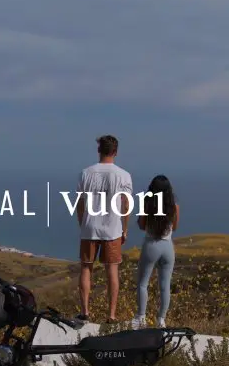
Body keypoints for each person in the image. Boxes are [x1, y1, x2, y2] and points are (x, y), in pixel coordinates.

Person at [75, 135, 132, 323]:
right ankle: (111, 315)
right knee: (112, 271)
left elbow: (80, 204)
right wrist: (125, 229)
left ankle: (85, 312)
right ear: (115, 152)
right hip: (112, 229)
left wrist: (83, 224)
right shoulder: (123, 175)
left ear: (99, 150)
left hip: (89, 227)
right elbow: (125, 205)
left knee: (86, 268)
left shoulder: (85, 173)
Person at [131, 175, 179, 329]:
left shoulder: (147, 204)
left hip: (151, 244)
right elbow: (175, 227)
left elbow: (141, 225)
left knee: (143, 283)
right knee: (165, 286)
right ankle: (161, 319)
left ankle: (141, 317)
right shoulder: (174, 207)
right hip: (168, 247)